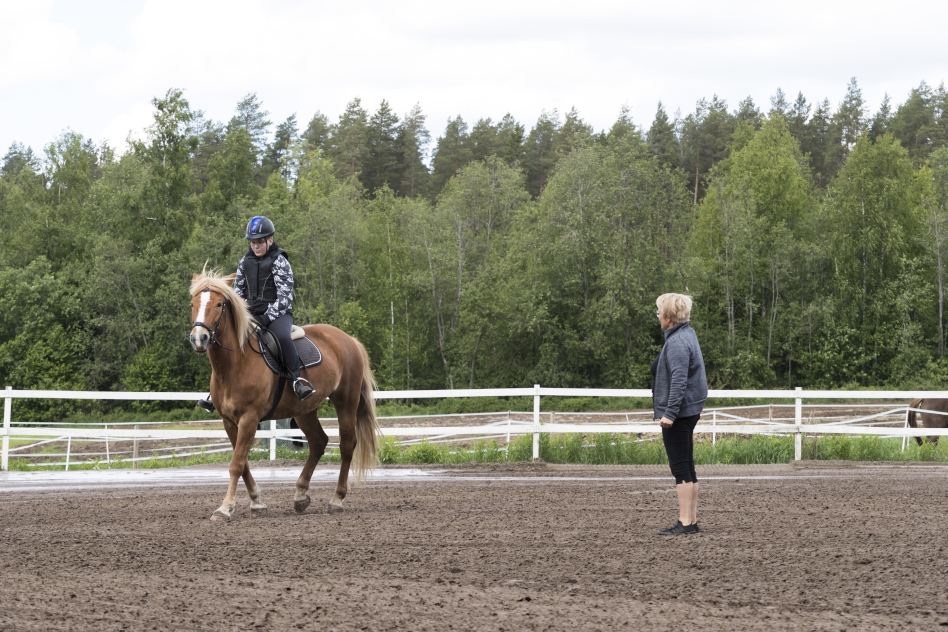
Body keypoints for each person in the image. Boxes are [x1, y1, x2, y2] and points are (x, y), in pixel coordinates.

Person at [197, 216, 314, 413]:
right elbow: (239, 293)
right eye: (253, 242)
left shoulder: (280, 261)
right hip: (250, 314)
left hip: (278, 314)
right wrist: (243, 315)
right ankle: (216, 393)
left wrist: (267, 317)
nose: (256, 246)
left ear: (270, 240)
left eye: (260, 241)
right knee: (227, 340)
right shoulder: (244, 262)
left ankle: (297, 380)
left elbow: (285, 298)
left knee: (283, 337)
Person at [651, 293, 707, 536]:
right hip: (689, 410)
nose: (657, 316)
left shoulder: (676, 343)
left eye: (659, 312)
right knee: (688, 466)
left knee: (680, 468)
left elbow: (679, 381)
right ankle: (691, 520)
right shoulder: (687, 334)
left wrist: (670, 414)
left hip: (680, 413)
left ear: (669, 318)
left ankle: (685, 522)